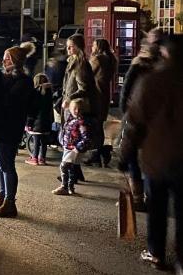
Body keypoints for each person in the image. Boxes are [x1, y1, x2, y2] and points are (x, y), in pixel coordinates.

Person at [119, 34, 183, 275]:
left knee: (157, 209)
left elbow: (133, 124)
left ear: (164, 54)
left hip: (157, 159)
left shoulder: (151, 81)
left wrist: (125, 155)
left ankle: (156, 253)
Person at [119, 29, 164, 210]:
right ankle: (150, 197)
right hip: (157, 122)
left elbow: (125, 94)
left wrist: (126, 115)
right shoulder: (164, 69)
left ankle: (137, 197)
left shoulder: (137, 67)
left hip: (137, 117)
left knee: (132, 159)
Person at [0, 46, 34, 218]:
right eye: (4, 58)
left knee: (7, 165)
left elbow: (9, 102)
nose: (4, 61)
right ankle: (2, 195)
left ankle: (10, 202)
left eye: (7, 58)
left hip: (8, 128)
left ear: (15, 61)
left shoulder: (23, 81)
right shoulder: (3, 77)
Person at [60, 33, 98, 186]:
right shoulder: (72, 61)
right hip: (70, 106)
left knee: (72, 142)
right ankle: (74, 173)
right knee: (70, 140)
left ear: (78, 47)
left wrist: (69, 99)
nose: (68, 49)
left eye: (71, 46)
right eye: (68, 46)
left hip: (75, 108)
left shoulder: (81, 65)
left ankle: (68, 180)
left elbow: (84, 88)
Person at [86, 38, 117, 167]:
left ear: (98, 47)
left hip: (95, 96)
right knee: (99, 125)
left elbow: (86, 74)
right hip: (104, 96)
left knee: (94, 126)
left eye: (93, 45)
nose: (92, 48)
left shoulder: (97, 59)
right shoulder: (111, 60)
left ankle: (97, 153)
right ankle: (100, 153)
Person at [52, 98, 90, 196]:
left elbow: (86, 137)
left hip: (73, 148)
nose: (77, 111)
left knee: (64, 166)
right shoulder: (71, 118)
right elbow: (64, 111)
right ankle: (70, 188)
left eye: (79, 109)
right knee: (71, 168)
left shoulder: (81, 122)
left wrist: (77, 148)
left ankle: (64, 187)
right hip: (68, 147)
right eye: (74, 108)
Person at [25, 73, 54, 165]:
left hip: (37, 122)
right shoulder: (49, 92)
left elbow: (33, 109)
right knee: (44, 142)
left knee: (36, 141)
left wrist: (28, 123)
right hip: (46, 121)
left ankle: (34, 158)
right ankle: (42, 158)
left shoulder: (36, 92)